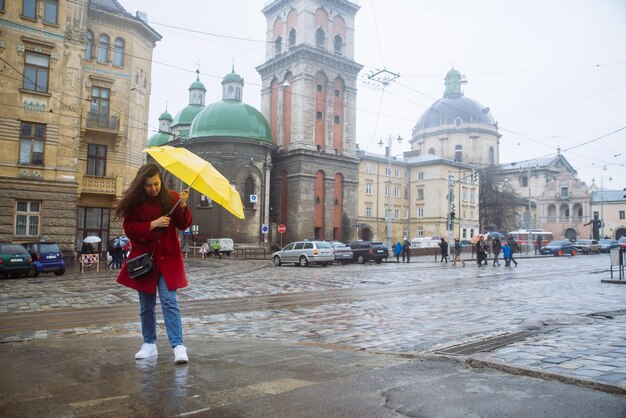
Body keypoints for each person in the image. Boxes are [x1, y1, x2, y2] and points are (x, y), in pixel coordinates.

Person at [115, 163, 192, 364]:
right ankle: (149, 344)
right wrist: (153, 224)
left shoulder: (172, 198)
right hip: (145, 262)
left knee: (169, 301)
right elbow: (129, 229)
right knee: (146, 306)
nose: (153, 189)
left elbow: (184, 225)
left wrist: (183, 206)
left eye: (156, 184)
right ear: (142, 185)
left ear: (161, 181)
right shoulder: (134, 203)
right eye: (148, 185)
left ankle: (178, 345)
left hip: (168, 260)